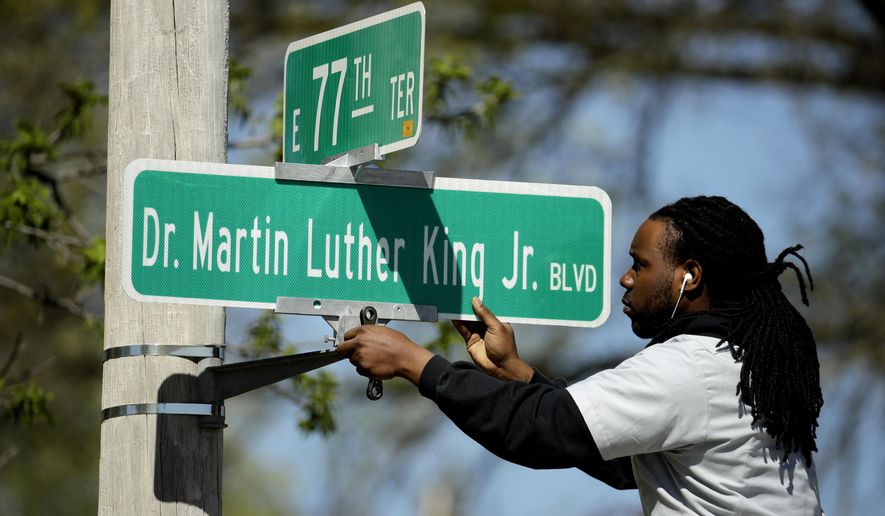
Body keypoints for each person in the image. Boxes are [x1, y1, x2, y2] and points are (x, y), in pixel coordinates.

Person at [338, 195, 824, 515]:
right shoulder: (739, 365)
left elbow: (539, 431)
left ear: (689, 275)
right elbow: (618, 459)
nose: (626, 278)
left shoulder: (689, 368)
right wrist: (517, 373)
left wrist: (414, 363)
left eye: (640, 264)